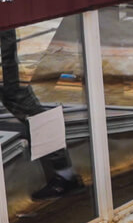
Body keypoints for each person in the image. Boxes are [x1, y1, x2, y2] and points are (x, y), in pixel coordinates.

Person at [0, 29, 83, 201]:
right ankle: (65, 175)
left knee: (27, 107)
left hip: (8, 61)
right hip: (8, 58)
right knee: (24, 104)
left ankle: (66, 176)